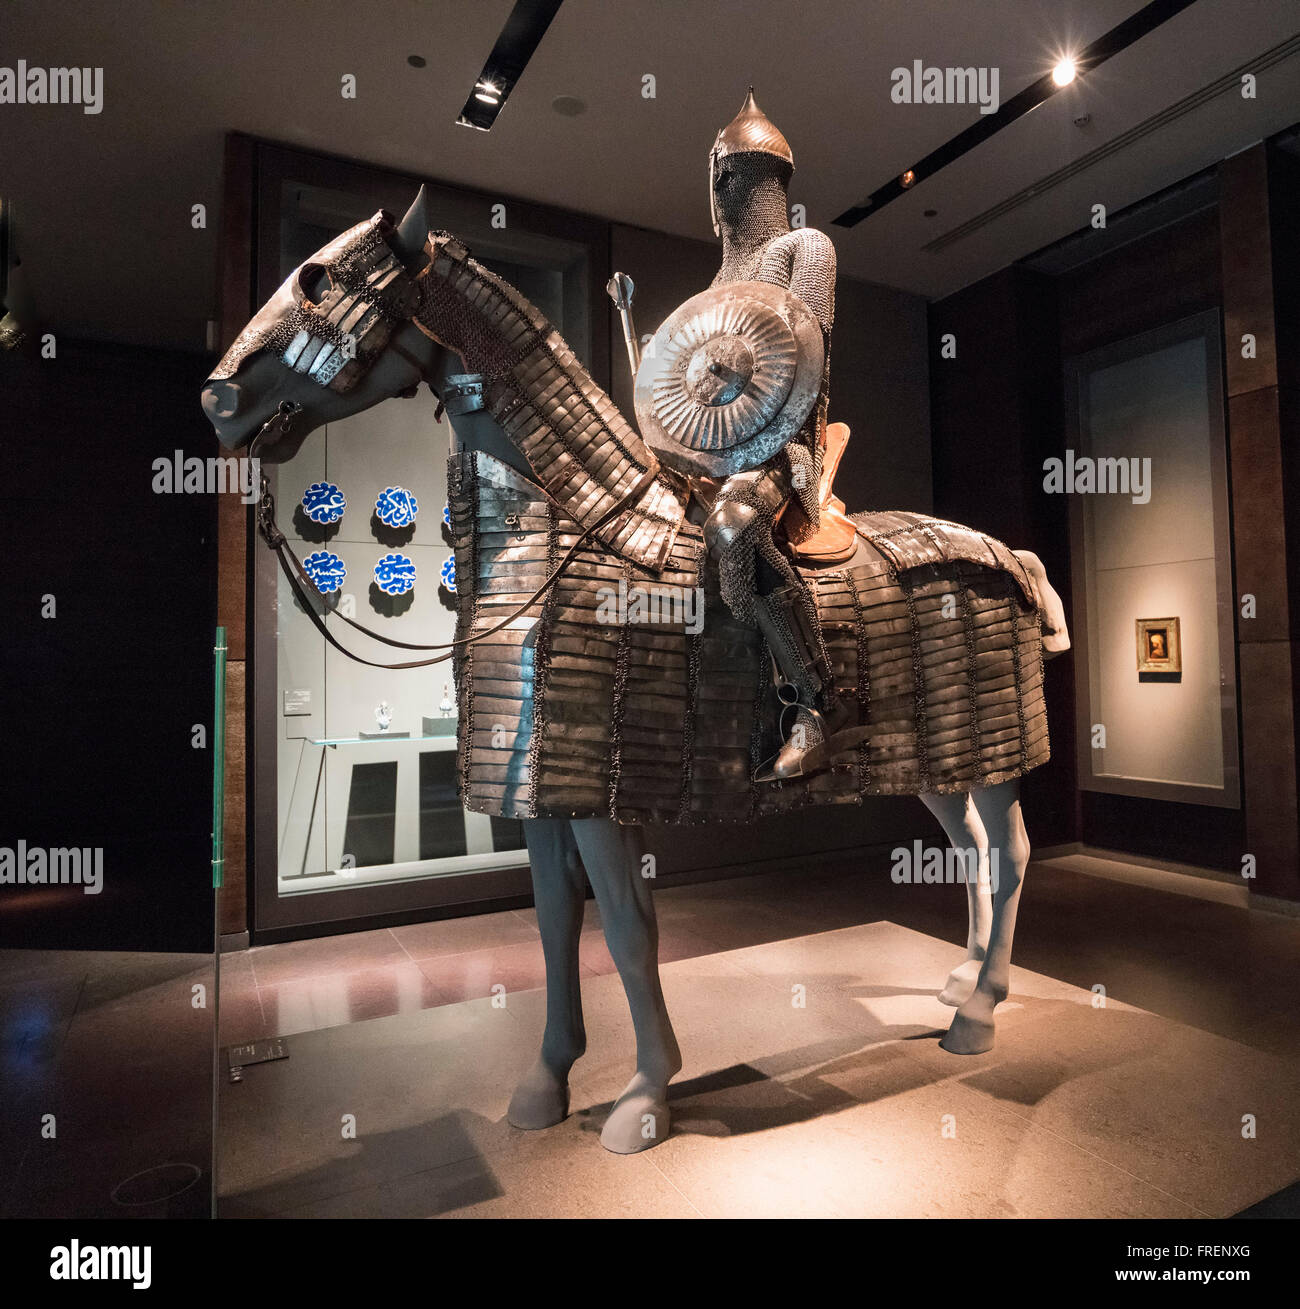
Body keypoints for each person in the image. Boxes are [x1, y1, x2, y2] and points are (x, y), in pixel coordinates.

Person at [697, 90, 848, 781]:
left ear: (732, 178)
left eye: (723, 177)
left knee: (732, 526)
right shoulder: (718, 279)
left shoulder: (804, 249)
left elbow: (806, 362)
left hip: (778, 448)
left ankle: (817, 706)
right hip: (712, 448)